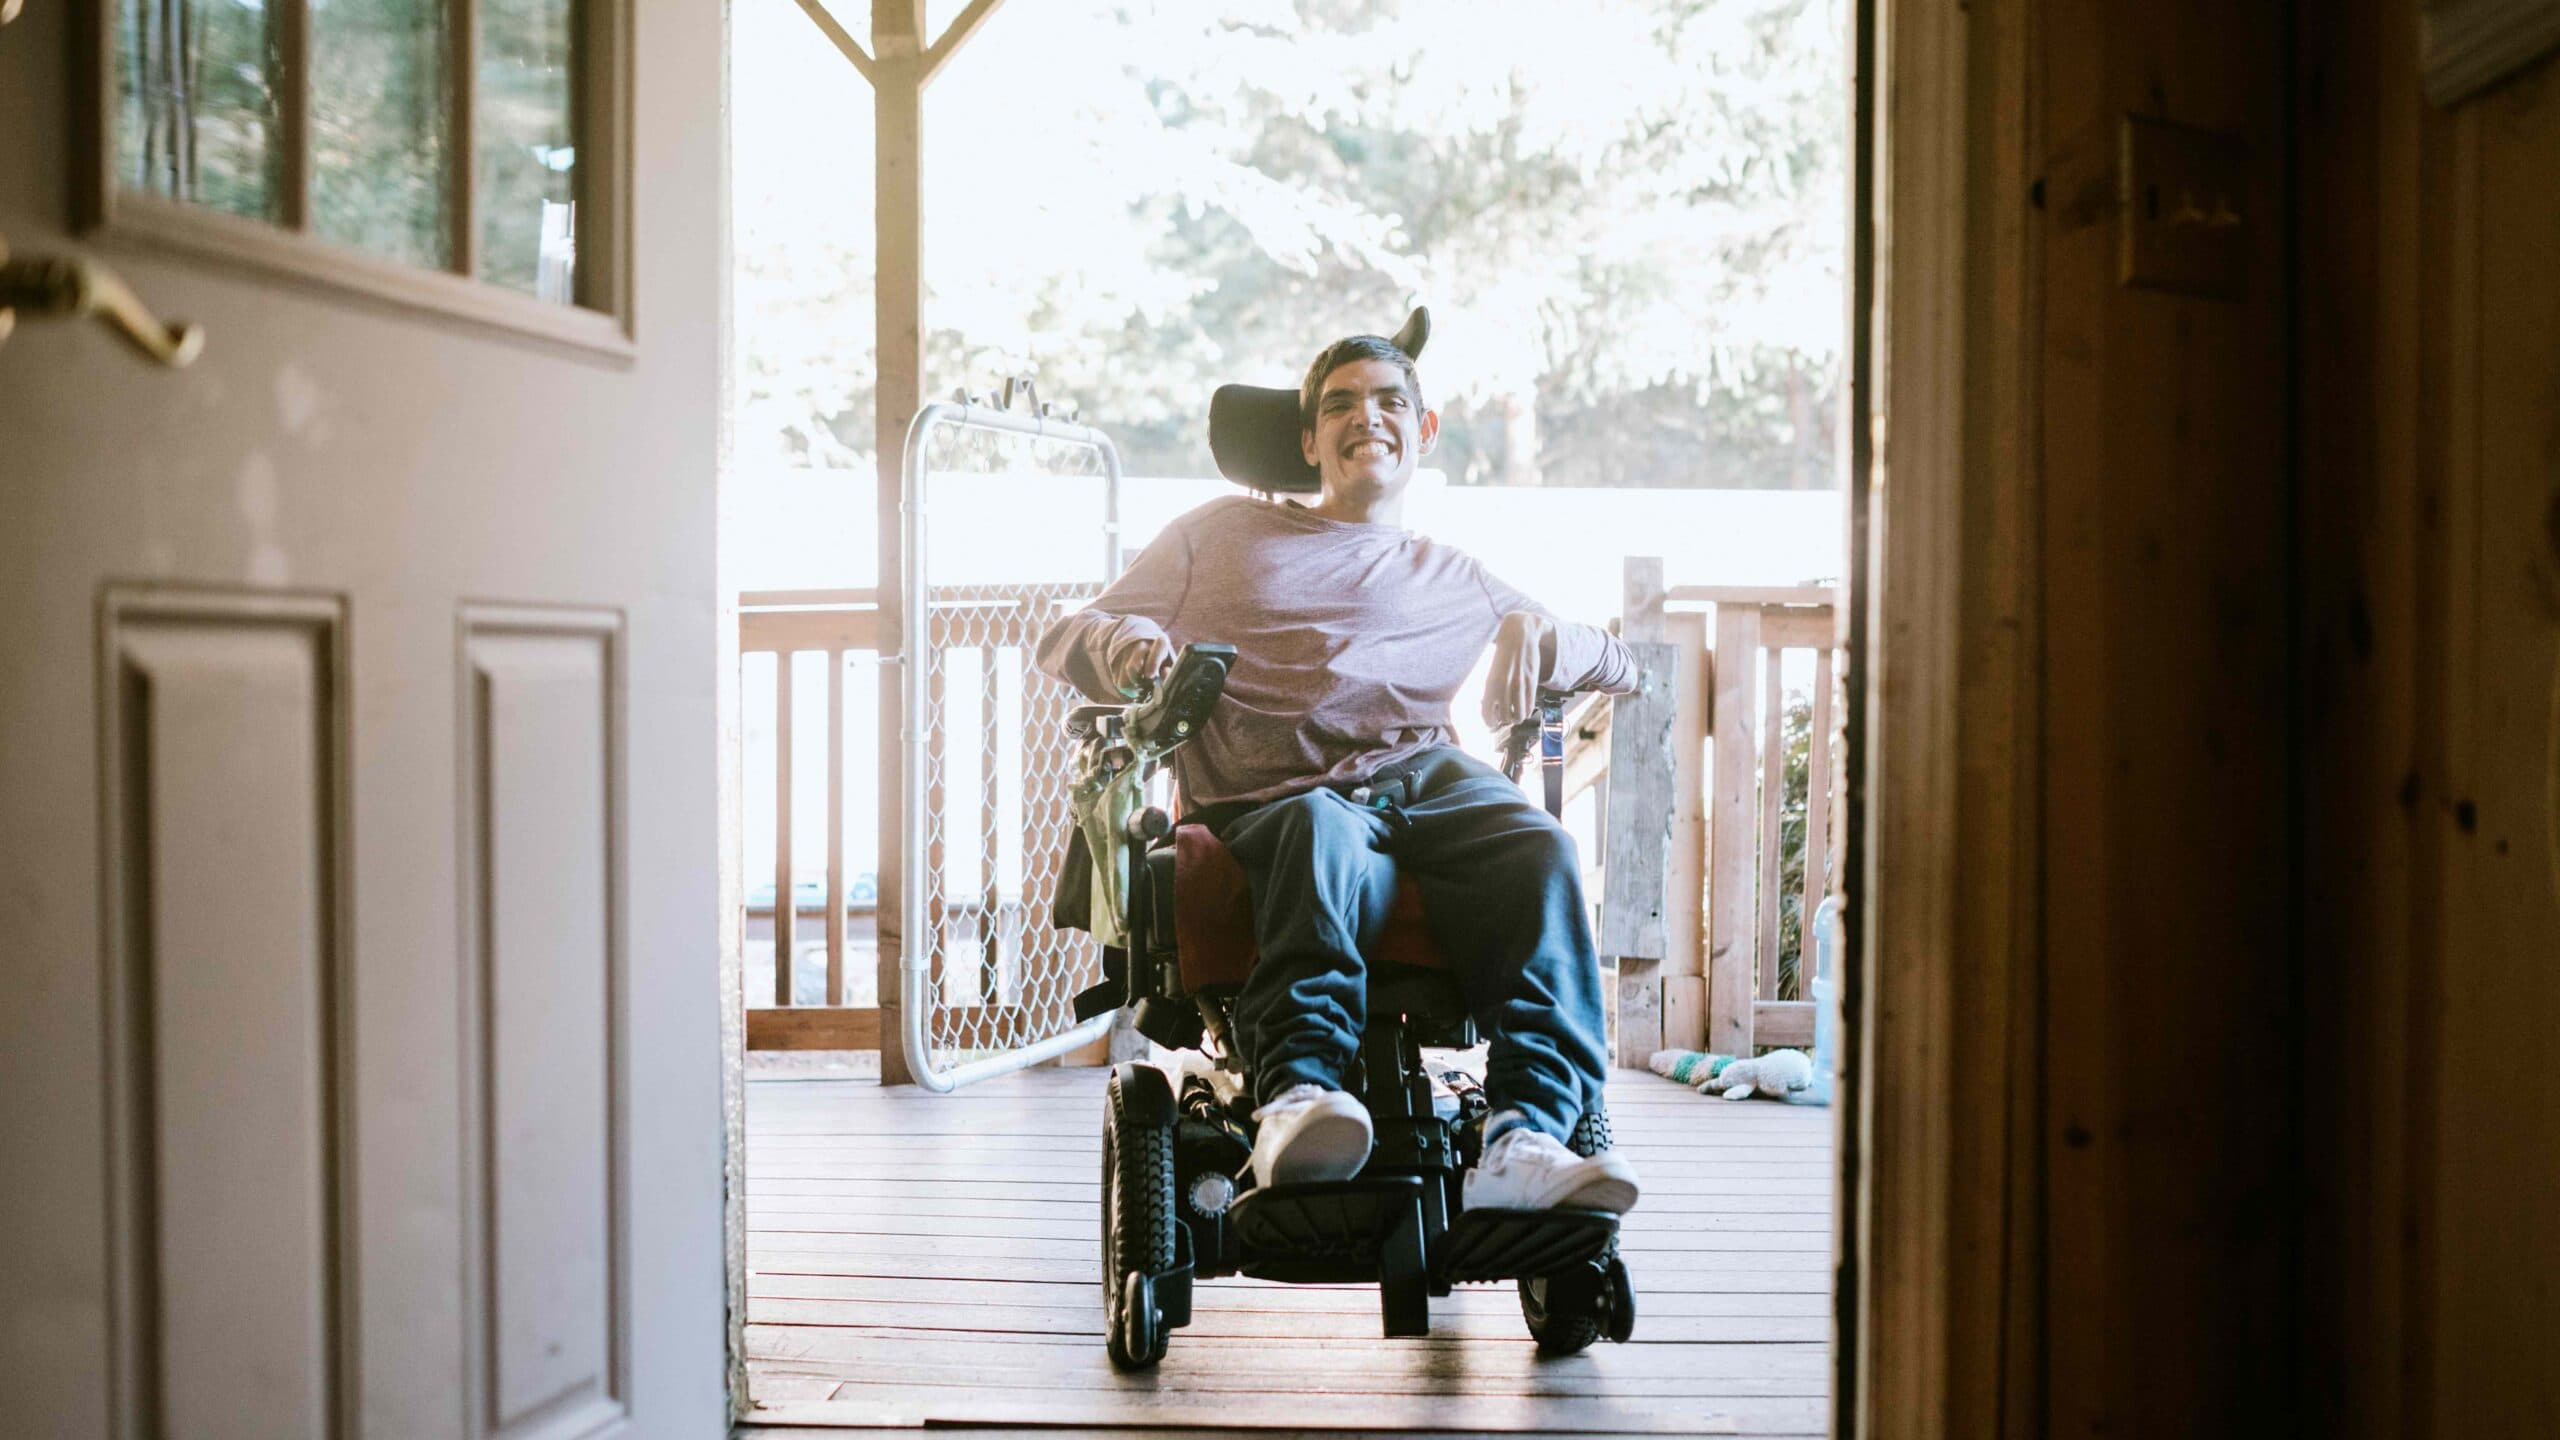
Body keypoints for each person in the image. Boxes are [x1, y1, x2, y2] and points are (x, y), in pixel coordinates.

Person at [1033, 318, 1642, 1214]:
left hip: (1427, 778)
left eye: (1393, 401)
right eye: (1341, 404)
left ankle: (1527, 1134)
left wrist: (1543, 632)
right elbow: (1067, 636)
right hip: (1277, 793)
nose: (1370, 418)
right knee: (1322, 831)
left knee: (1540, 848)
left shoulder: (1452, 573)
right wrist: (1132, 646)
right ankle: (1297, 1097)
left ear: (1424, 431)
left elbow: (1624, 667)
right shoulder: (1217, 535)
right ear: (1309, 438)